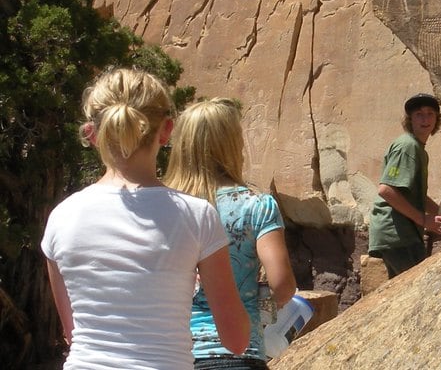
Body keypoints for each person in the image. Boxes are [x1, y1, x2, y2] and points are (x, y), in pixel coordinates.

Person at [41, 68, 249, 370]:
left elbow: (74, 332)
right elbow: (236, 339)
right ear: (166, 131)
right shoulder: (196, 216)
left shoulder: (62, 217)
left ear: (93, 133)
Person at [163, 98, 297, 370]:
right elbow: (282, 285)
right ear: (232, 144)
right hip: (239, 351)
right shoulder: (257, 205)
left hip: (169, 351)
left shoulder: (162, 206)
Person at [368, 93, 441, 278]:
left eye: (430, 113)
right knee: (416, 287)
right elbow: (386, 190)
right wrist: (424, 220)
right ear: (410, 119)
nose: (425, 119)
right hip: (397, 234)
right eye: (419, 114)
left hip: (402, 234)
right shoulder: (407, 146)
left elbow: (416, 196)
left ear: (437, 119)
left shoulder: (418, 149)